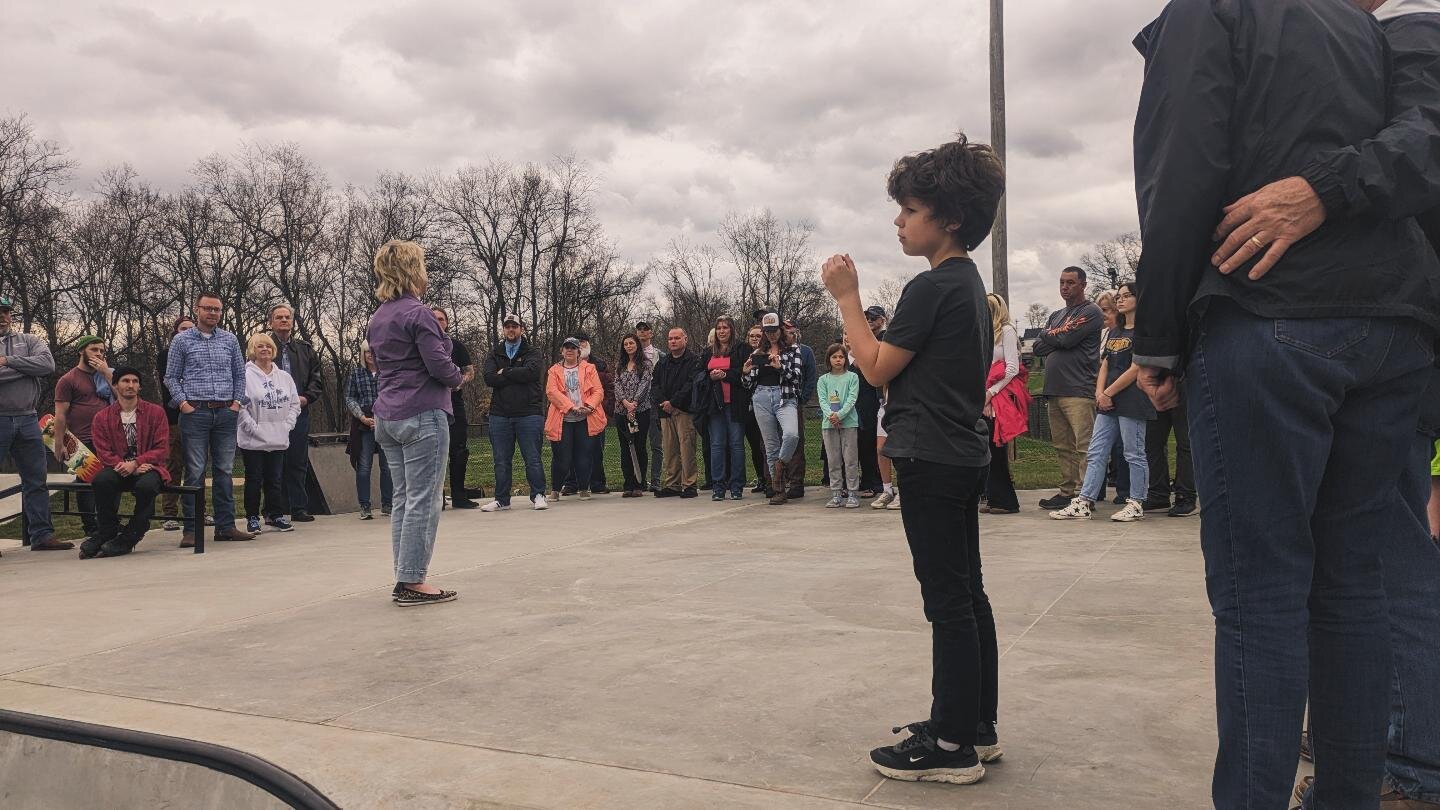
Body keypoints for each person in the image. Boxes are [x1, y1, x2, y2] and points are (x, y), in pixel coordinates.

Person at [1132, 2, 1440, 805]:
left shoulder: (1218, 10)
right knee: (1353, 591)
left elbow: (1183, 163)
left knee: (1260, 595)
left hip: (1270, 311)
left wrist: (1158, 335)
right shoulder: (1384, 33)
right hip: (1392, 324)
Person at [821, 133, 1005, 785]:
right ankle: (975, 726)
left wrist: (847, 297)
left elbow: (872, 369)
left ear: (949, 219)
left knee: (946, 600)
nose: (899, 221)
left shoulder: (933, 288)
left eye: (910, 210)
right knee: (966, 592)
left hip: (928, 455)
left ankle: (952, 744)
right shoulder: (969, 285)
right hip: (961, 453)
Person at [367, 239, 462, 606]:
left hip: (387, 415)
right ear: (413, 270)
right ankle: (412, 581)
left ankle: (405, 574)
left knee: (404, 500)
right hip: (422, 412)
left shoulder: (379, 317)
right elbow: (439, 365)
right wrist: (456, 377)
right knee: (424, 499)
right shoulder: (419, 313)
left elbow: (378, 362)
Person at [1049, 283, 1152, 523]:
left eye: (1127, 296)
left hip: (1132, 400)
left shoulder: (1144, 331)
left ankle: (1136, 502)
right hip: (1107, 401)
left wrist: (1109, 393)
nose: (1121, 300)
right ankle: (1084, 500)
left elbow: (1137, 367)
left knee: (1133, 452)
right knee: (1096, 452)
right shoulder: (1115, 331)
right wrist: (1100, 392)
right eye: (1119, 296)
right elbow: (1105, 363)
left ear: (1139, 298)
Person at [165, 291, 254, 546]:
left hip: (226, 412)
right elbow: (171, 376)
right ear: (197, 309)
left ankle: (226, 526)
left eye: (217, 309)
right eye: (208, 308)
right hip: (196, 413)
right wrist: (183, 403)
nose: (213, 313)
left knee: (224, 471)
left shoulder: (229, 340)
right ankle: (191, 530)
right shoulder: (182, 341)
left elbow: (240, 374)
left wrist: (236, 403)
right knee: (194, 472)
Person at [1031, 267, 1103, 510]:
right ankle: (1067, 491)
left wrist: (1048, 335)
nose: (1065, 287)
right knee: (1063, 446)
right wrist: (1051, 335)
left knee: (1084, 446)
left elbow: (1066, 340)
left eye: (1071, 282)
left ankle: (1086, 494)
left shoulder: (1091, 311)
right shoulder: (1056, 315)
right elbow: (1039, 348)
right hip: (1055, 389)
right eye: (1061, 282)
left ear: (1083, 284)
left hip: (1079, 389)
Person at [82, 367, 169, 559]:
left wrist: (136, 464)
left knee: (147, 486)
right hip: (118, 468)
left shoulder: (155, 412)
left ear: (139, 386)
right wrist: (127, 467)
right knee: (101, 481)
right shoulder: (102, 417)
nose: (130, 385)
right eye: (125, 381)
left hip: (149, 467)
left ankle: (132, 534)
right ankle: (107, 530)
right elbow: (103, 452)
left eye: (135, 381)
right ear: (115, 385)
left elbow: (161, 448)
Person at [0, 296, 62, 552]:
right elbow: (35, 367)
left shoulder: (29, 340)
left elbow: (47, 365)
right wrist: (27, 368)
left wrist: (8, 361)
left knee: (36, 480)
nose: (3, 316)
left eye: (6, 312)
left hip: (28, 418)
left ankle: (42, 536)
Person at [480, 313, 548, 512]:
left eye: (515, 326)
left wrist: (505, 372)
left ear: (522, 330)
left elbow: (531, 373)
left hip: (529, 413)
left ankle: (538, 495)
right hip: (500, 414)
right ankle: (502, 500)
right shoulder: (495, 353)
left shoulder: (533, 352)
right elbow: (489, 378)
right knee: (501, 461)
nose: (511, 329)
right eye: (507, 326)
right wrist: (515, 373)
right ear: (504, 330)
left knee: (532, 458)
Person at [51, 335, 114, 543]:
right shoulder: (68, 380)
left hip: (108, 437)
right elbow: (60, 414)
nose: (98, 354)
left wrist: (107, 374)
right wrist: (58, 444)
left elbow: (125, 396)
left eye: (102, 351)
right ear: (81, 351)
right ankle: (91, 526)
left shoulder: (105, 375)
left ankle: (109, 522)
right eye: (94, 350)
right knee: (87, 482)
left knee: (110, 481)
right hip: (83, 439)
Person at [238, 333, 301, 536]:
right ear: (252, 351)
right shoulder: (244, 376)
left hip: (278, 437)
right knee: (254, 479)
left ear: (273, 350)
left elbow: (294, 404)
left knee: (275, 479)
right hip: (253, 439)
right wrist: (252, 428)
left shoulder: (284, 377)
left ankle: (275, 514)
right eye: (259, 347)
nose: (264, 349)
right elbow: (239, 406)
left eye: (267, 346)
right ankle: (252, 517)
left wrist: (287, 425)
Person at [265, 305, 321, 524]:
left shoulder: (305, 349)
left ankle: (299, 508)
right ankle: (272, 510)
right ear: (271, 322)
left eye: (288, 317)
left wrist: (307, 397)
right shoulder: (263, 347)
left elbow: (316, 378)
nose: (284, 321)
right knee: (272, 463)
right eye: (279, 317)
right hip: (270, 414)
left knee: (298, 460)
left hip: (298, 412)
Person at [741, 312, 804, 505]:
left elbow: (796, 378)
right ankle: (778, 489)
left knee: (792, 434)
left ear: (781, 329)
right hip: (761, 397)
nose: (771, 335)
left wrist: (780, 367)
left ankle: (780, 465)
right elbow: (748, 384)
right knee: (770, 445)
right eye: (767, 331)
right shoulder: (757, 352)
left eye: (774, 331)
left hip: (784, 396)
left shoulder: (793, 349)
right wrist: (745, 373)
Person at [545, 337, 606, 501]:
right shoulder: (553, 370)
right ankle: (556, 489)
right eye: (566, 347)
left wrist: (589, 407)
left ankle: (584, 488)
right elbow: (551, 392)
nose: (569, 350)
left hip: (585, 418)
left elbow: (598, 391)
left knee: (584, 455)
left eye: (573, 347)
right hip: (562, 419)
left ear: (579, 351)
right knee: (561, 457)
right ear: (562, 351)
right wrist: (571, 407)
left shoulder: (589, 368)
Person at [981, 294, 1025, 515]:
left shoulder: (1006, 331)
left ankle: (1006, 500)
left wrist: (991, 392)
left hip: (1000, 391)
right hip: (984, 392)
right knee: (985, 447)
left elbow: (1012, 368)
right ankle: (992, 496)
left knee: (996, 447)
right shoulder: (983, 332)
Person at [431, 307, 478, 510]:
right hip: (431, 403)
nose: (438, 322)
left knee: (459, 450)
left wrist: (457, 382)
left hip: (454, 403)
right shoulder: (423, 345)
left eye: (441, 319)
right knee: (433, 452)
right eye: (434, 319)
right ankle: (436, 498)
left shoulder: (457, 346)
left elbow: (470, 371)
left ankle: (459, 495)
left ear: (447, 322)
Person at [699, 316, 748, 500]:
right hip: (714, 406)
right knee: (717, 445)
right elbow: (699, 375)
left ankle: (736, 486)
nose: (722, 331)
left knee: (736, 445)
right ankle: (718, 485)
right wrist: (711, 377)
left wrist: (724, 375)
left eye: (725, 327)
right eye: (719, 328)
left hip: (735, 404)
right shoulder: (707, 352)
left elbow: (743, 373)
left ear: (732, 330)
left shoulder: (742, 349)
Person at [651, 327, 701, 498]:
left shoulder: (693, 360)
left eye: (677, 338)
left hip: (684, 411)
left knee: (686, 448)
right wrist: (664, 403)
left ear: (685, 339)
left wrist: (674, 402)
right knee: (670, 449)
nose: (673, 341)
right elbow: (655, 385)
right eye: (670, 339)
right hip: (665, 412)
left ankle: (689, 484)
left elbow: (690, 384)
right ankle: (673, 484)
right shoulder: (662, 363)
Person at [345, 341, 392, 520]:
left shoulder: (387, 373)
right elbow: (350, 397)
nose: (370, 355)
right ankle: (365, 506)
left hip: (386, 422)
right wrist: (362, 417)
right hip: (363, 423)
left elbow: (393, 395)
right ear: (363, 355)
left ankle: (388, 504)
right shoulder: (356, 373)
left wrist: (382, 417)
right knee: (364, 466)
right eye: (367, 352)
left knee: (387, 467)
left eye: (373, 352)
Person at [157, 316, 194, 532]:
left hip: (198, 417)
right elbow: (170, 384)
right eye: (183, 329)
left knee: (195, 467)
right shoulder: (167, 354)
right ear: (175, 332)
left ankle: (198, 509)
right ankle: (169, 513)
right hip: (174, 417)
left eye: (191, 328)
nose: (187, 332)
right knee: (173, 465)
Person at [816, 343, 860, 508]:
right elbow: (822, 400)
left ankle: (853, 493)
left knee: (850, 459)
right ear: (829, 359)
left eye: (841, 356)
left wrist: (840, 415)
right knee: (833, 460)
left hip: (848, 423)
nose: (838, 360)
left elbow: (852, 398)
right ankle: (836, 493)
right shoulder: (823, 380)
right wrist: (831, 416)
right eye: (834, 357)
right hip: (829, 425)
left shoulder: (852, 378)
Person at [613, 333, 653, 497]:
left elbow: (645, 384)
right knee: (625, 448)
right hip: (621, 411)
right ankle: (628, 483)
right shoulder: (619, 365)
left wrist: (634, 403)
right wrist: (625, 402)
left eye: (631, 343)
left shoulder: (646, 364)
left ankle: (639, 483)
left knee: (639, 446)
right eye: (626, 344)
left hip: (640, 411)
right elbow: (616, 384)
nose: (629, 346)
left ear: (637, 344)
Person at [575, 332, 614, 495]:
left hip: (595, 413)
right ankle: (573, 483)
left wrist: (602, 408)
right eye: (577, 343)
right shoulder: (565, 365)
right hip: (574, 414)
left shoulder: (600, 365)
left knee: (596, 450)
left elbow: (609, 389)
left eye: (583, 342)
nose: (581, 345)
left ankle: (597, 483)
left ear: (589, 344)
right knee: (574, 450)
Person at [855, 306, 888, 496]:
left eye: (873, 318)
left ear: (882, 320)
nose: (869, 321)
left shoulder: (885, 338)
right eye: (867, 318)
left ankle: (877, 482)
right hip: (866, 393)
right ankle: (869, 479)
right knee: (866, 438)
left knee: (878, 442)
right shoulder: (867, 339)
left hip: (881, 394)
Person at [783, 319, 818, 498]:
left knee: (795, 442)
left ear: (796, 332)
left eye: (789, 331)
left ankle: (796, 483)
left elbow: (811, 378)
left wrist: (802, 399)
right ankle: (778, 481)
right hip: (775, 401)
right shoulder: (776, 351)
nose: (786, 334)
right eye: (784, 331)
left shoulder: (805, 351)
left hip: (794, 401)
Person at [740, 325, 770, 494]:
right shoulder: (745, 356)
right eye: (751, 335)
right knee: (755, 446)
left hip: (767, 404)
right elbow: (744, 382)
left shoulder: (768, 353)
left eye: (758, 335)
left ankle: (771, 479)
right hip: (749, 407)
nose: (754, 338)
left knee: (767, 444)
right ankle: (761, 478)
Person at [635, 321, 663, 491]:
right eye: (639, 330)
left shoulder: (660, 355)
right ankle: (639, 480)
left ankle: (656, 480)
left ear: (651, 333)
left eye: (646, 330)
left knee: (656, 445)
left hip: (654, 404)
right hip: (637, 404)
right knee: (638, 444)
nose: (643, 332)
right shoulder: (631, 355)